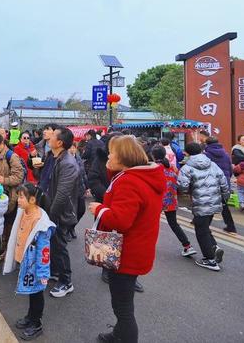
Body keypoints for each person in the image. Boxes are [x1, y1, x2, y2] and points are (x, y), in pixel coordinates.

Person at [88, 135, 165, 343]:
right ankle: (118, 334)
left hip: (125, 254)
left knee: (123, 308)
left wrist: (100, 209)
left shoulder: (129, 181)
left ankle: (125, 336)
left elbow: (120, 221)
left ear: (122, 158)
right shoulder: (141, 176)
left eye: (112, 152)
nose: (108, 155)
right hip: (137, 249)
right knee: (123, 303)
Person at [3, 183, 56, 341]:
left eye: (21, 197)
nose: (17, 199)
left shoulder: (41, 222)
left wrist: (43, 272)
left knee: (37, 293)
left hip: (36, 266)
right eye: (18, 196)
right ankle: (30, 316)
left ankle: (36, 323)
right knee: (31, 292)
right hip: (26, 261)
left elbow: (44, 251)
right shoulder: (23, 212)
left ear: (32, 200)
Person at [177, 142, 230, 272]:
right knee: (204, 227)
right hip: (215, 201)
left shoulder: (187, 167)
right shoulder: (212, 164)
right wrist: (225, 197)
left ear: (187, 153)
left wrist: (188, 189)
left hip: (200, 202)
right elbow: (223, 181)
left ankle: (210, 260)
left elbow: (182, 187)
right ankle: (214, 248)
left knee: (201, 231)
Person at [47, 126, 79, 298]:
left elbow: (62, 194)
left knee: (60, 247)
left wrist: (51, 216)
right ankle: (58, 273)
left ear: (59, 142)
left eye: (52, 135)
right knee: (55, 245)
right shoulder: (58, 158)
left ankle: (66, 282)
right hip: (57, 211)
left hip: (61, 214)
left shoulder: (67, 163)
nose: (49, 137)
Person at [0, 132, 26, 255]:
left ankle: (7, 250)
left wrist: (5, 180)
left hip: (10, 197)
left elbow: (19, 176)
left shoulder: (11, 156)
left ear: (3, 143)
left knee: (9, 224)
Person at [151, 145, 196, 257]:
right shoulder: (172, 167)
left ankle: (147, 246)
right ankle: (187, 246)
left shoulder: (152, 168)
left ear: (153, 155)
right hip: (171, 199)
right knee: (174, 224)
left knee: (151, 223)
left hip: (156, 200)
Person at [204, 136, 238, 234]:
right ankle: (231, 227)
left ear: (207, 144)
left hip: (211, 182)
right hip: (224, 182)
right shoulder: (226, 154)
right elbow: (230, 169)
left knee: (208, 203)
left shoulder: (206, 155)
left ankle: (205, 226)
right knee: (223, 205)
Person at [68, 143, 87, 240]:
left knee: (81, 210)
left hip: (80, 188)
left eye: (73, 147)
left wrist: (87, 187)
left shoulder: (78, 158)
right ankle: (68, 230)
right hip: (70, 190)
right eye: (70, 147)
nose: (72, 149)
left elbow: (83, 174)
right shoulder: (66, 160)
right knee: (70, 211)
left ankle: (72, 227)